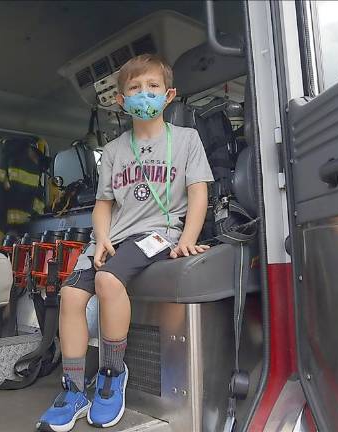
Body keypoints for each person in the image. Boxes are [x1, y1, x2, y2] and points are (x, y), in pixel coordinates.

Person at [36, 54, 214, 431]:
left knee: (108, 281)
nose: (143, 94)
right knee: (69, 295)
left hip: (158, 233)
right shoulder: (115, 150)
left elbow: (198, 193)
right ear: (121, 100)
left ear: (169, 96)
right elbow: (103, 205)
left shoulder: (186, 140)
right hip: (115, 235)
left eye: (152, 87)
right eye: (134, 88)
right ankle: (73, 389)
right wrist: (100, 239)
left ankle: (111, 375)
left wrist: (187, 239)